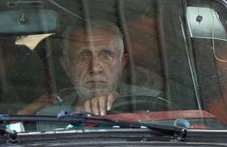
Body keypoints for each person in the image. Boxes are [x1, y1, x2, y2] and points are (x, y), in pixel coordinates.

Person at [25, 20, 158, 116]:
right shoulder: (48, 115)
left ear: (121, 63)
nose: (95, 68)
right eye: (84, 57)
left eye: (106, 56)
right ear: (66, 66)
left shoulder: (153, 104)